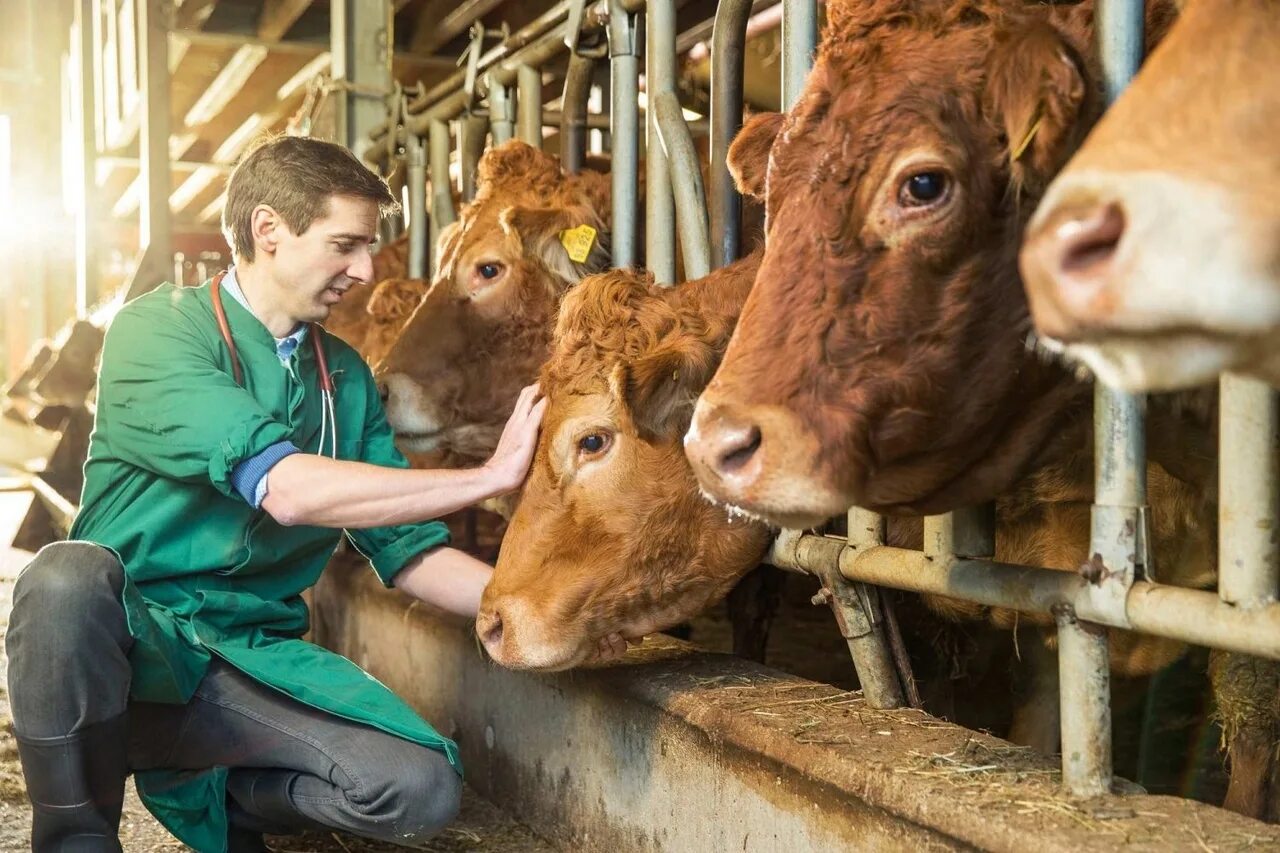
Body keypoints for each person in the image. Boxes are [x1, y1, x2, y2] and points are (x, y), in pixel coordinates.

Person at [4, 135, 626, 853]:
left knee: (418, 786)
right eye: (345, 245)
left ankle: (223, 795)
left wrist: (551, 609)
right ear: (269, 230)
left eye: (366, 248)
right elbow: (287, 490)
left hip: (242, 667)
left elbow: (411, 554)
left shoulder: (348, 378)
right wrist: (487, 477)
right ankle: (74, 837)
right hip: (129, 647)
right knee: (62, 578)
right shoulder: (158, 330)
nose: (363, 269)